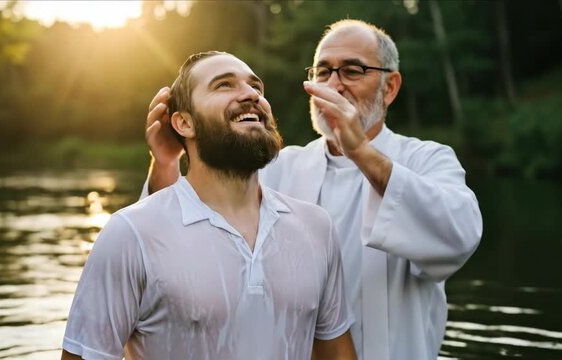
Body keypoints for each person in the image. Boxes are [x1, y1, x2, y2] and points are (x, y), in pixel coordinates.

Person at [143, 20, 483, 359]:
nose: (334, 84)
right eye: (323, 72)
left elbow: (459, 236)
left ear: (390, 87)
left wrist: (360, 151)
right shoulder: (275, 167)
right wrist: (166, 163)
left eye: (352, 71)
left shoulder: (426, 159)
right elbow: (168, 248)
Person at [62, 51, 357, 360]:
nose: (251, 94)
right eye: (224, 85)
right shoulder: (129, 233)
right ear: (184, 123)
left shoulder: (316, 227)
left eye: (256, 86)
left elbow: (338, 354)